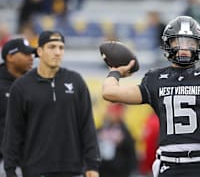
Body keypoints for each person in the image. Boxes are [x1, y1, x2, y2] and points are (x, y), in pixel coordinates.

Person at [102, 15, 200, 177]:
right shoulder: (155, 79)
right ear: (168, 44)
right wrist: (115, 71)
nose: (184, 48)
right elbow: (109, 93)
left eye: (190, 42)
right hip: (170, 165)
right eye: (178, 42)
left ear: (199, 45)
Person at [2, 30, 100, 177]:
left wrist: (93, 164)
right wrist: (10, 169)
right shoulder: (22, 86)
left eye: (61, 48)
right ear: (40, 51)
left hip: (73, 170)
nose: (57, 52)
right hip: (36, 170)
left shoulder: (76, 81)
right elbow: (13, 132)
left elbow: (87, 126)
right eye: (52, 47)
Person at [0, 38, 35, 176]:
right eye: (26, 54)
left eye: (31, 54)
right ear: (10, 57)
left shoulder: (35, 84)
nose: (31, 58)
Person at [98, 103, 137, 177]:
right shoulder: (101, 128)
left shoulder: (125, 131)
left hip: (120, 171)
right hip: (103, 170)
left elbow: (131, 151)